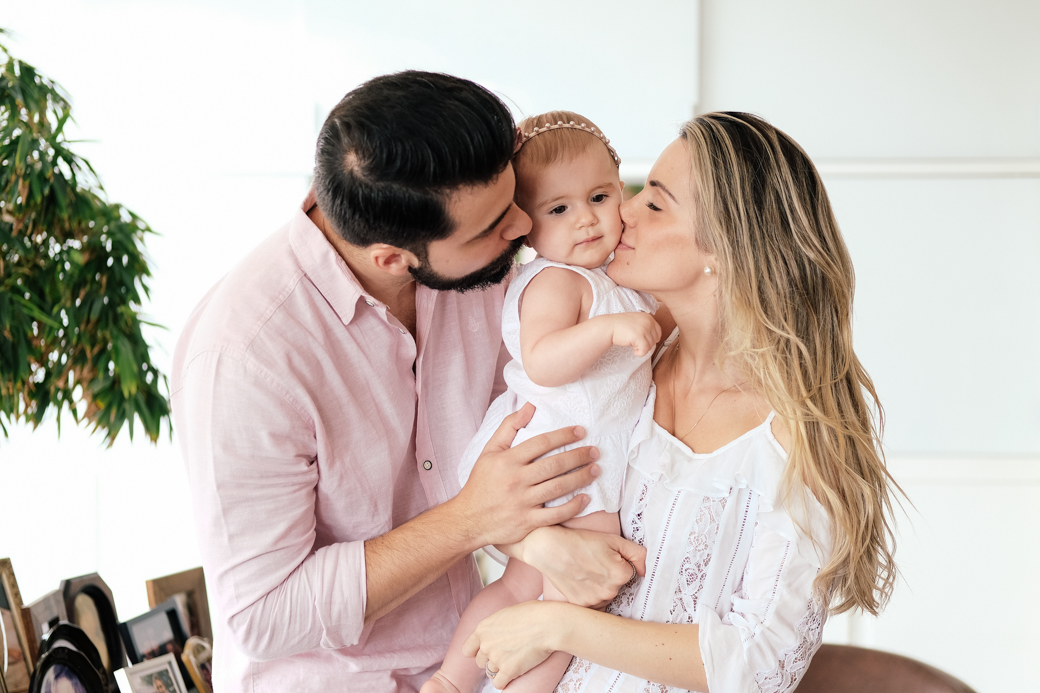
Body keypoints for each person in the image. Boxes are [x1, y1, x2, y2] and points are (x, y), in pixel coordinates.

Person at [171, 73, 641, 692]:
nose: (524, 227)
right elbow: (264, 615)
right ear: (393, 258)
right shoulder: (242, 357)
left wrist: (536, 542)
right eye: (494, 224)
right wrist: (471, 520)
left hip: (476, 659)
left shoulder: (488, 269)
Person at [462, 112, 899, 693]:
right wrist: (539, 544)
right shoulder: (613, 371)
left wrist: (555, 624)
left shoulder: (794, 434)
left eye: (657, 203)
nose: (624, 210)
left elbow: (761, 665)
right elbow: (495, 498)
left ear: (725, 246)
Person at [423, 112, 660, 693]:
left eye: (600, 196)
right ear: (526, 228)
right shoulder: (557, 281)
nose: (585, 219)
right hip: (564, 458)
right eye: (559, 209)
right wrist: (609, 332)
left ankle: (450, 683)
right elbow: (543, 361)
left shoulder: (614, 281)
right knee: (566, 610)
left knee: (516, 590)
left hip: (569, 456)